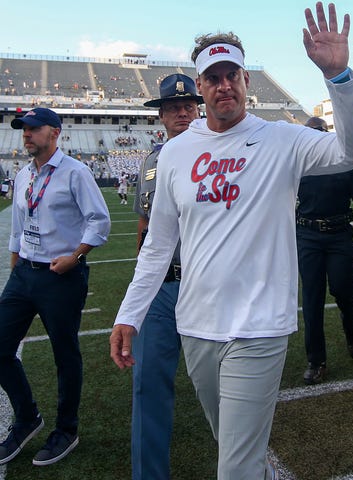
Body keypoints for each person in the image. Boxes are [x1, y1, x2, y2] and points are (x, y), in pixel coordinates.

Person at [110, 3, 353, 479]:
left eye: (233, 74)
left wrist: (340, 78)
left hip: (259, 327)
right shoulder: (175, 153)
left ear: (247, 81)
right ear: (201, 86)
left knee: (234, 470)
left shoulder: (281, 140)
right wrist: (130, 314)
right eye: (213, 77)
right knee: (235, 448)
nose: (224, 84)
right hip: (197, 325)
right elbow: (157, 244)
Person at [0, 107, 110, 466]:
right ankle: (28, 417)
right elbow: (19, 226)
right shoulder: (23, 176)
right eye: (23, 130)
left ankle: (66, 428)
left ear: (55, 132)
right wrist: (16, 267)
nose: (26, 135)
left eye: (33, 128)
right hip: (25, 273)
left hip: (61, 274)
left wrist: (76, 256)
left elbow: (99, 221)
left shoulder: (75, 172)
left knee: (65, 354)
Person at [131, 74, 202, 480]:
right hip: (160, 288)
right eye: (174, 107)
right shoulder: (151, 162)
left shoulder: (222, 154)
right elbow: (144, 226)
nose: (182, 111)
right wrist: (137, 290)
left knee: (225, 387)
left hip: (205, 285)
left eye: (189, 105)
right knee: (148, 385)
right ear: (161, 116)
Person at [297, 117, 353, 384]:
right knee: (312, 298)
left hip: (339, 234)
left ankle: (350, 324)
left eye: (319, 133)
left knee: (342, 288)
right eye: (311, 134)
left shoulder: (344, 161)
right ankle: (316, 359)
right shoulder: (297, 164)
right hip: (307, 234)